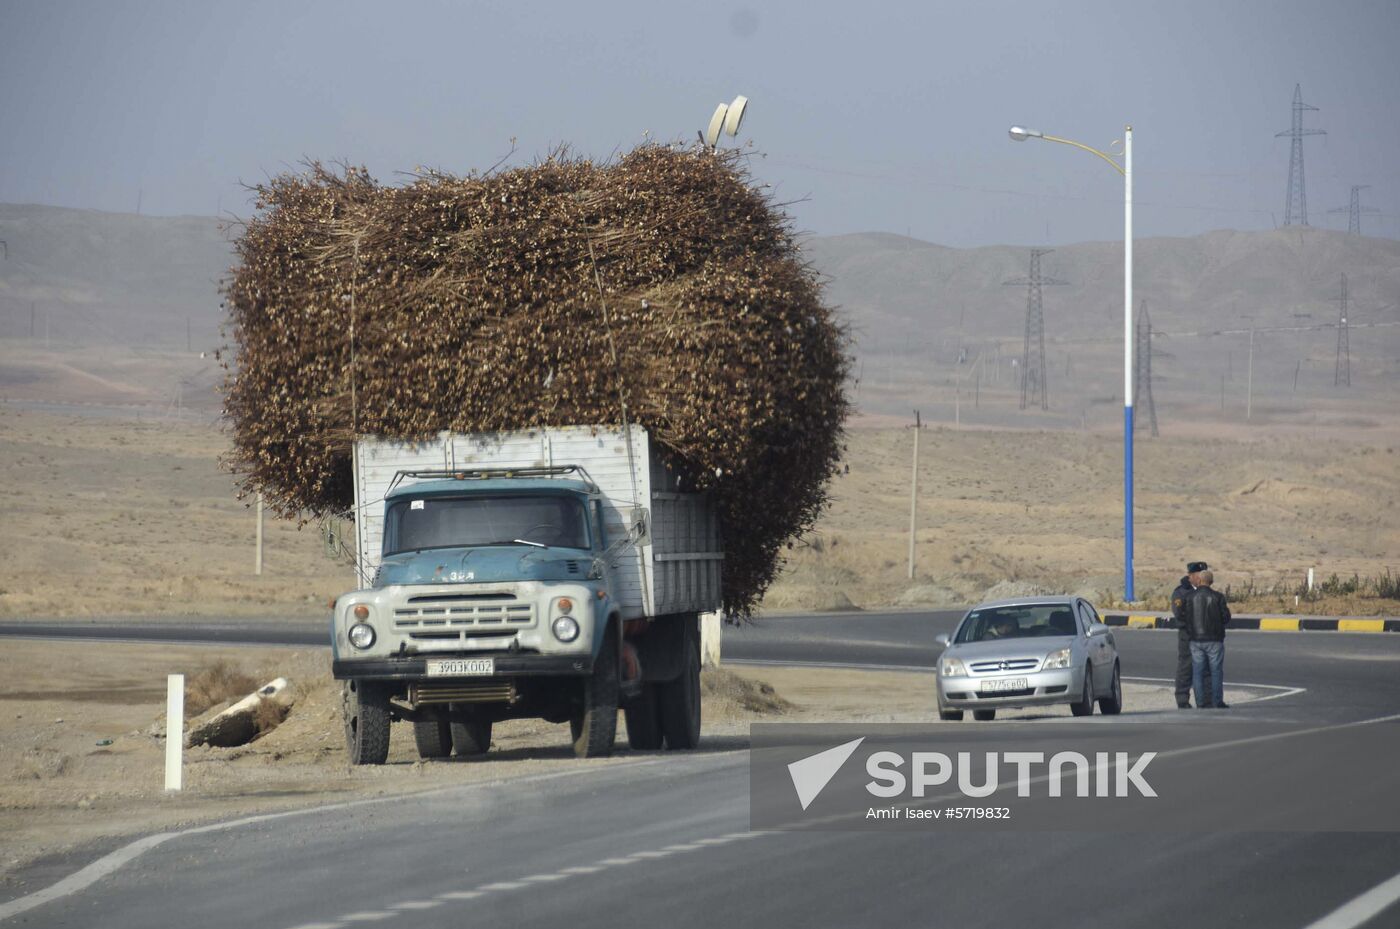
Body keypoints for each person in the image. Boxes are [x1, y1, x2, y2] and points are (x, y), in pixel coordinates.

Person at [1185, 569, 1231, 709]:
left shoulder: (1190, 597)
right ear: (1211, 581)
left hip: (1196, 639)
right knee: (1216, 671)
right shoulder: (1218, 597)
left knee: (1197, 672)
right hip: (1214, 639)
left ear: (1199, 580)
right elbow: (1226, 617)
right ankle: (1217, 701)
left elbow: (1185, 618)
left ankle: (1200, 702)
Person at [1171, 562, 1208, 708]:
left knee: (1206, 668)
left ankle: (1206, 699)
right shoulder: (1181, 592)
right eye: (1200, 574)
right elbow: (1179, 614)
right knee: (1186, 667)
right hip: (1188, 634)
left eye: (1204, 574)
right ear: (1191, 576)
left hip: (1205, 635)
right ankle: (1182, 699)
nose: (1202, 577)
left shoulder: (1207, 591)